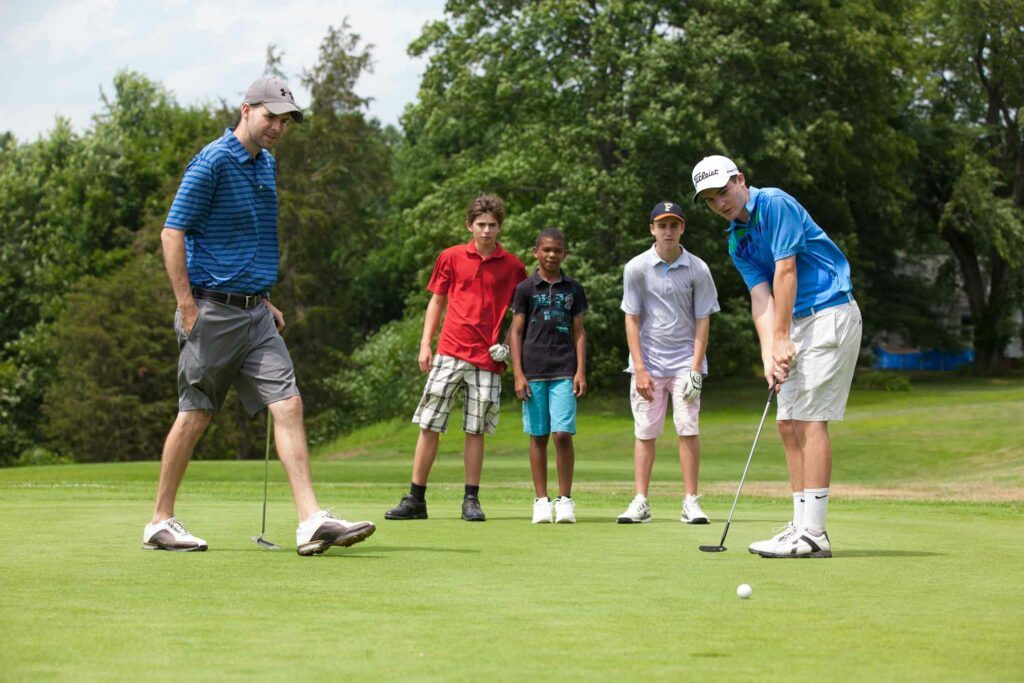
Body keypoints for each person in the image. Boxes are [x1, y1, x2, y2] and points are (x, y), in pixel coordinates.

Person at [144, 77, 375, 556]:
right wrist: (187, 306)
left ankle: (310, 520)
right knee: (196, 414)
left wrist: (262, 296)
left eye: (285, 120)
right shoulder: (211, 162)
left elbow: (251, 238)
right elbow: (172, 234)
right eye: (270, 116)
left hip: (255, 313)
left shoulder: (267, 165)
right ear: (246, 110)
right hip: (210, 311)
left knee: (288, 403)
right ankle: (159, 521)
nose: (277, 127)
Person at [692, 154, 862, 559]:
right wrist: (770, 350)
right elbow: (760, 296)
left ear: (740, 180)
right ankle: (801, 525)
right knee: (786, 423)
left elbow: (787, 271)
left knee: (808, 419)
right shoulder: (737, 241)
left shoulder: (775, 204)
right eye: (711, 200)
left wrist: (783, 336)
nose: (720, 203)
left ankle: (815, 533)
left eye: (723, 192)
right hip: (795, 323)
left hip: (828, 312)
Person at [385, 195, 527, 522]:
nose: (487, 231)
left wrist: (506, 345)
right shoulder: (450, 257)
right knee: (429, 424)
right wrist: (425, 344)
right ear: (469, 225)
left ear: (500, 227)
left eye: (492, 225)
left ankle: (471, 500)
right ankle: (415, 498)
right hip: (449, 351)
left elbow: (521, 312)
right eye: (481, 225)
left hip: (487, 359)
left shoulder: (513, 266)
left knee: (475, 430)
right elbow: (436, 302)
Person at [617, 201, 720, 525]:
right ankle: (641, 501)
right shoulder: (636, 267)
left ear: (682, 228)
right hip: (648, 363)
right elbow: (631, 319)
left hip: (685, 365)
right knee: (645, 432)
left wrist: (695, 367)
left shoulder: (698, 269)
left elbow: (703, 320)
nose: (668, 231)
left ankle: (691, 501)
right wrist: (641, 368)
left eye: (674, 225)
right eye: (662, 225)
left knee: (688, 429)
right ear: (652, 229)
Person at [509, 228, 588, 524]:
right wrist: (518, 373)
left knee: (563, 434)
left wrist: (581, 370)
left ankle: (565, 499)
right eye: (546, 250)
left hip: (565, 370)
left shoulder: (573, 289)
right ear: (536, 253)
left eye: (557, 250)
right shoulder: (526, 289)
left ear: (564, 254)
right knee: (538, 436)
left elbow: (580, 332)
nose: (552, 255)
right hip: (533, 371)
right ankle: (541, 500)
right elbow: (516, 333)